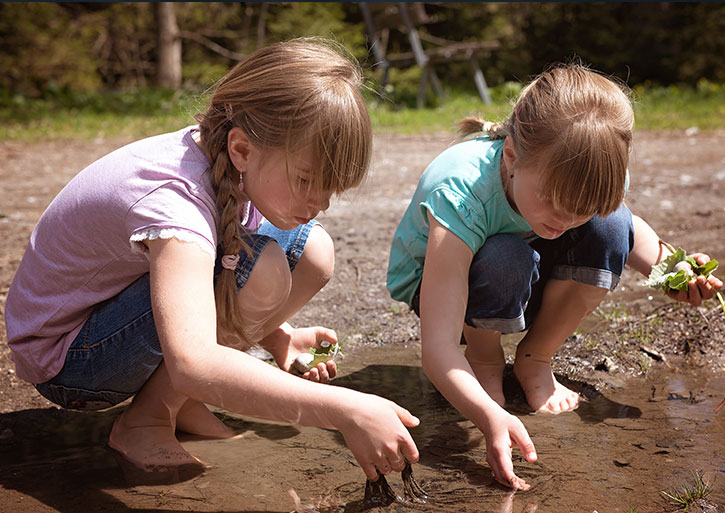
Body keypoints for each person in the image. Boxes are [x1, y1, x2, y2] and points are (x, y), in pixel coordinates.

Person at [4, 38, 419, 483]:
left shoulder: (232, 162)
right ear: (242, 149)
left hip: (112, 321)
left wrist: (279, 338)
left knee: (313, 250)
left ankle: (179, 401)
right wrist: (345, 409)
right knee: (260, 268)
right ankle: (145, 421)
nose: (321, 203)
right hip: (71, 359)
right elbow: (194, 360)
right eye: (306, 181)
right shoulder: (176, 203)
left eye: (332, 188)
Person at [386, 63, 722, 489]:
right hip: (442, 284)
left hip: (523, 263)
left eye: (580, 208)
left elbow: (628, 233)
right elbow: (435, 348)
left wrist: (674, 270)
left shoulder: (587, 178)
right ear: (511, 157)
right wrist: (488, 417)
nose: (565, 220)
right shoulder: (462, 191)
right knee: (505, 256)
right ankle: (484, 359)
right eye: (553, 202)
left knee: (612, 223)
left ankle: (535, 357)